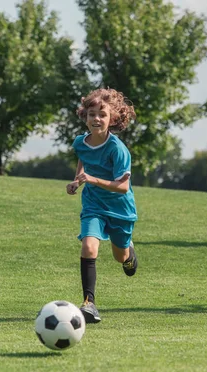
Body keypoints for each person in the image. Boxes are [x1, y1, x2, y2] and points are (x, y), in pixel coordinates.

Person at [66, 88, 139, 324]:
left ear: (113, 119)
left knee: (121, 258)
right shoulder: (80, 142)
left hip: (120, 209)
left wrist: (93, 179)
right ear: (85, 116)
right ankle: (89, 303)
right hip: (93, 205)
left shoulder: (118, 149)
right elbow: (83, 158)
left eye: (102, 114)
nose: (96, 119)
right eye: (91, 114)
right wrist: (78, 180)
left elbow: (123, 187)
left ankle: (128, 251)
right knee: (88, 247)